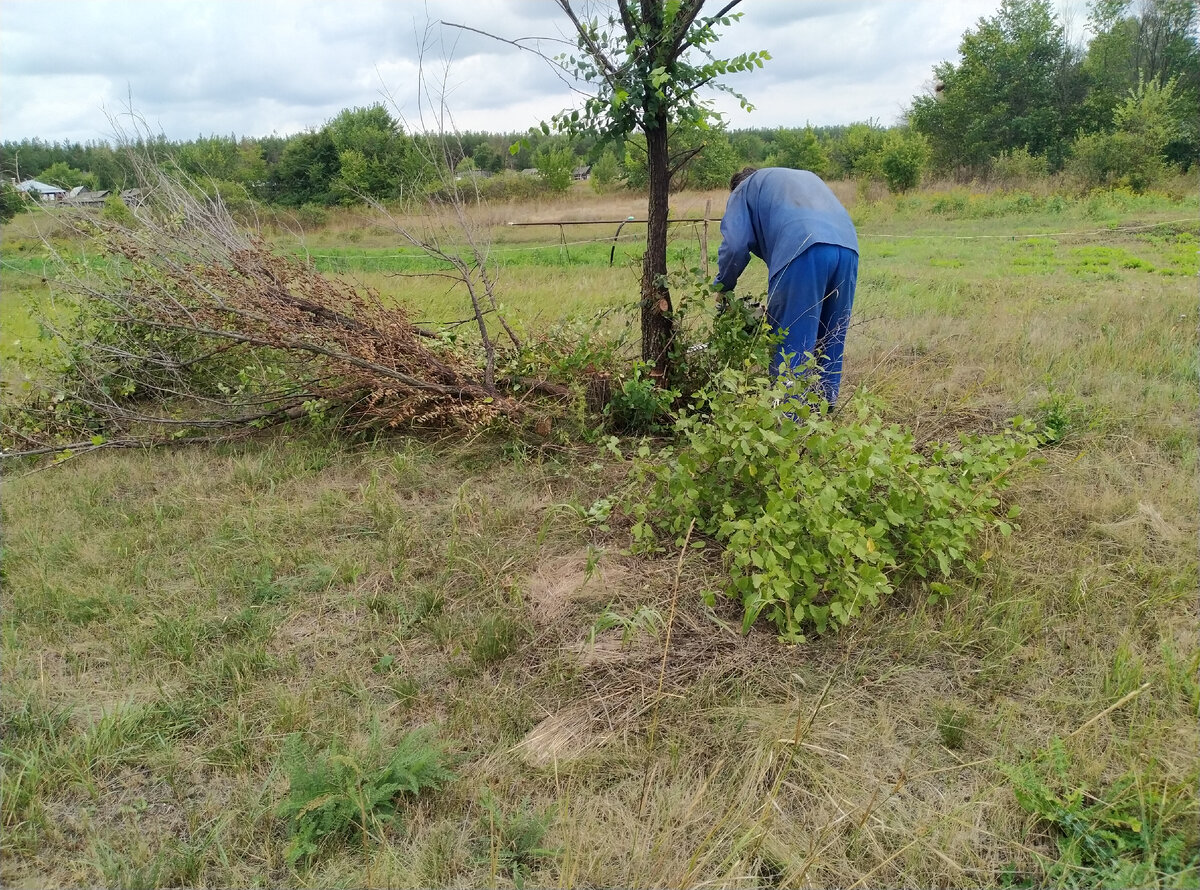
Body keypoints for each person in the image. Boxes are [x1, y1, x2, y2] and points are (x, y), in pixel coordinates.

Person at [714, 166, 859, 405]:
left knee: (791, 343)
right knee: (831, 338)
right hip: (847, 247)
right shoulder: (797, 179)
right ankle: (824, 415)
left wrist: (723, 287)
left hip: (803, 248)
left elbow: (735, 246)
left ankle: (788, 420)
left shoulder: (742, 190)